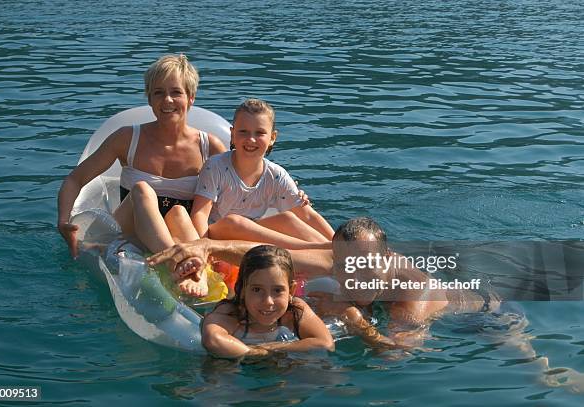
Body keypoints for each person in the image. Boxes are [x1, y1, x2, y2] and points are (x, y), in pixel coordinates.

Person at [147, 217, 492, 348]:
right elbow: (274, 255)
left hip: (481, 315)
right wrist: (208, 246)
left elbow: (397, 354)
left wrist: (353, 320)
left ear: (386, 261)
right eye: (347, 267)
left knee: (522, 354)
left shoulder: (412, 299)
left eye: (367, 269)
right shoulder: (347, 260)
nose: (356, 278)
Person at [57, 54, 225, 296]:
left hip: (181, 231)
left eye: (176, 92)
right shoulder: (127, 138)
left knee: (179, 212)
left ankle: (199, 277)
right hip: (130, 231)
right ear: (149, 98)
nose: (167, 100)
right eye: (158, 93)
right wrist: (64, 221)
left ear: (191, 98)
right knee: (144, 190)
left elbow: (242, 186)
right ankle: (176, 262)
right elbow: (75, 179)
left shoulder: (210, 147)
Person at [179, 98, 334, 251]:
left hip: (251, 238)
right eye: (243, 132)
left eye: (259, 133)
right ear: (232, 134)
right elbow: (199, 215)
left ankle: (337, 250)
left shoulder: (276, 175)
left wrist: (340, 241)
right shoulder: (216, 167)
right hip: (219, 239)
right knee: (235, 222)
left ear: (272, 138)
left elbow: (307, 216)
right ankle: (318, 248)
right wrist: (205, 247)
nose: (251, 139)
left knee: (288, 219)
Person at [201, 245, 334, 359]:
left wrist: (272, 348)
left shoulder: (294, 311)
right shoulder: (233, 312)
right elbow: (213, 340)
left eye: (277, 290)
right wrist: (257, 352)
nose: (268, 301)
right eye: (257, 290)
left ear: (291, 291)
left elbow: (325, 343)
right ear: (242, 290)